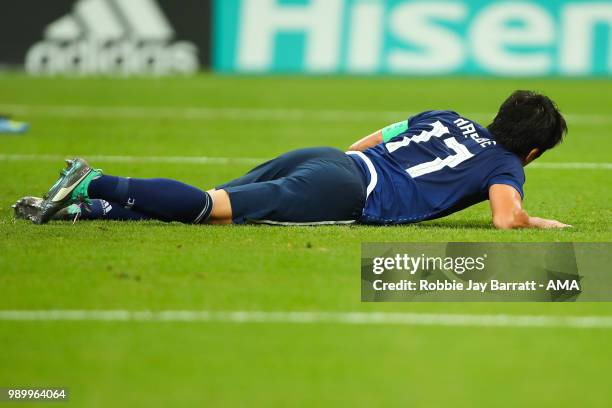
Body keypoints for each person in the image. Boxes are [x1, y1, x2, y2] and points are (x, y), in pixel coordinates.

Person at [15, 90, 569, 229]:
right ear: (534, 149)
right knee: (210, 209)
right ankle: (94, 182)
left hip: (329, 160)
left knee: (208, 207)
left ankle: (77, 209)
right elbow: (503, 216)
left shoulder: (447, 115)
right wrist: (533, 219)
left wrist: (331, 168)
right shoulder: (508, 167)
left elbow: (371, 139)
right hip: (347, 192)